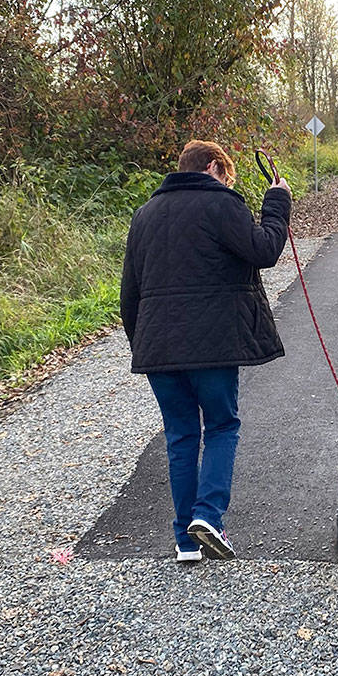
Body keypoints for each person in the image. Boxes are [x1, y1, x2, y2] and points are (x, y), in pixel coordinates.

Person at [120, 139, 291, 562]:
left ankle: (184, 541)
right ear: (214, 167)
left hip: (159, 348)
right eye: (227, 175)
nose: (228, 182)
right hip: (214, 346)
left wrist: (141, 344)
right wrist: (277, 200)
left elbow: (130, 293)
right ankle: (209, 517)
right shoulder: (223, 204)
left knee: (180, 437)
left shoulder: (143, 216)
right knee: (220, 426)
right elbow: (265, 250)